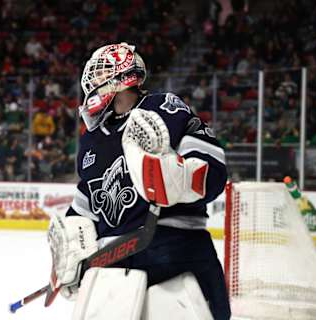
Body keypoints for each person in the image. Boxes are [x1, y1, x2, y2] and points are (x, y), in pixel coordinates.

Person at [47, 43, 230, 319]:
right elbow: (84, 208)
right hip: (113, 258)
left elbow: (212, 170)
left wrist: (178, 176)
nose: (93, 85)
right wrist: (73, 253)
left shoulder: (162, 108)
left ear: (120, 78)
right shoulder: (91, 141)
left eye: (100, 75)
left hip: (174, 243)